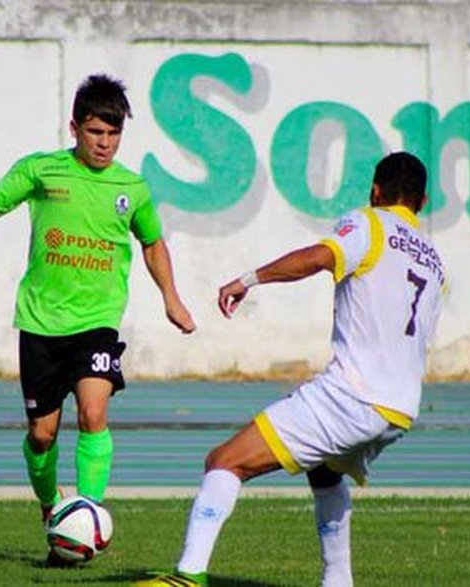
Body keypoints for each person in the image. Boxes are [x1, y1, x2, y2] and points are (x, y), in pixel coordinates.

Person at [135, 152, 445, 587]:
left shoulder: (369, 224)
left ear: (375, 191)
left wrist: (248, 279)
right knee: (325, 471)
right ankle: (338, 582)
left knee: (225, 461)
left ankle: (188, 577)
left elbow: (321, 257)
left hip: (352, 396)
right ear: (423, 200)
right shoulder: (434, 261)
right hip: (399, 409)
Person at [0, 74, 197, 564]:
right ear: (75, 127)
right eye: (96, 132)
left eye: (113, 134)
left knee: (95, 414)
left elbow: (152, 242)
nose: (105, 143)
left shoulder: (132, 187)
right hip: (41, 322)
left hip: (97, 321)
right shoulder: (43, 171)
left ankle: (86, 511)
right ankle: (51, 510)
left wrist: (172, 298)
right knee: (42, 434)